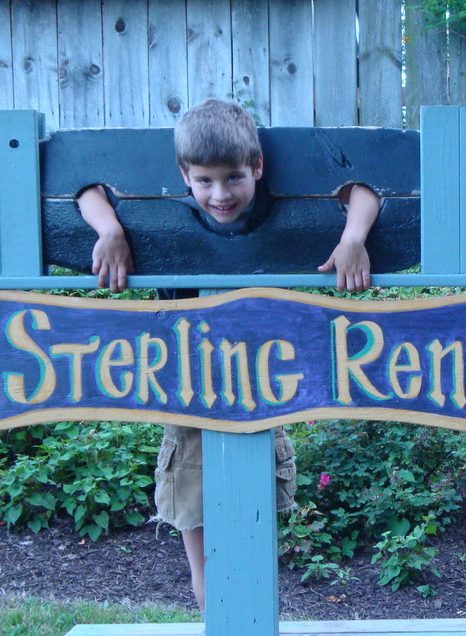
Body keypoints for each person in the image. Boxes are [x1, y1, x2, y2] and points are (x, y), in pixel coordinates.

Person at [75, 98, 381, 610]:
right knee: (204, 559)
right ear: (183, 177)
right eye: (205, 181)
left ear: (258, 167)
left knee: (252, 553)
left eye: (234, 177)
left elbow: (363, 185)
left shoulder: (279, 213)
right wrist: (110, 230)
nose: (221, 195)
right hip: (189, 408)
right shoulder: (164, 219)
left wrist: (353, 237)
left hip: (262, 400)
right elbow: (87, 188)